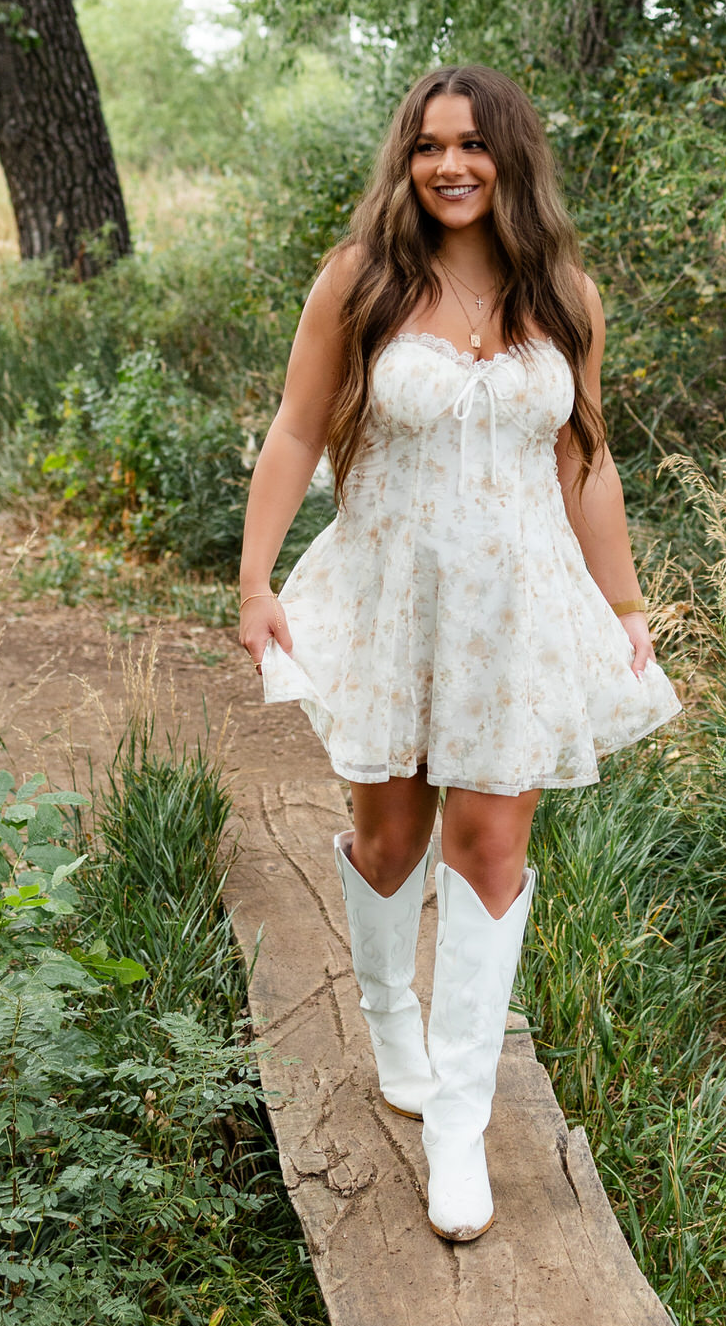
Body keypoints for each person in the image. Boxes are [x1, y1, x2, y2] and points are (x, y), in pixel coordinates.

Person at [237, 63, 679, 1243]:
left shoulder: (562, 292)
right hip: (391, 597)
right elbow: (293, 431)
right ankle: (390, 1019)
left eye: (473, 145)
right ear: (406, 156)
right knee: (391, 836)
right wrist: (253, 578)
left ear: (509, 157)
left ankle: (458, 1123)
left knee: (489, 846)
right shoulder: (362, 281)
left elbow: (584, 458)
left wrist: (624, 603)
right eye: (429, 144)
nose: (449, 165)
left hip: (516, 616)